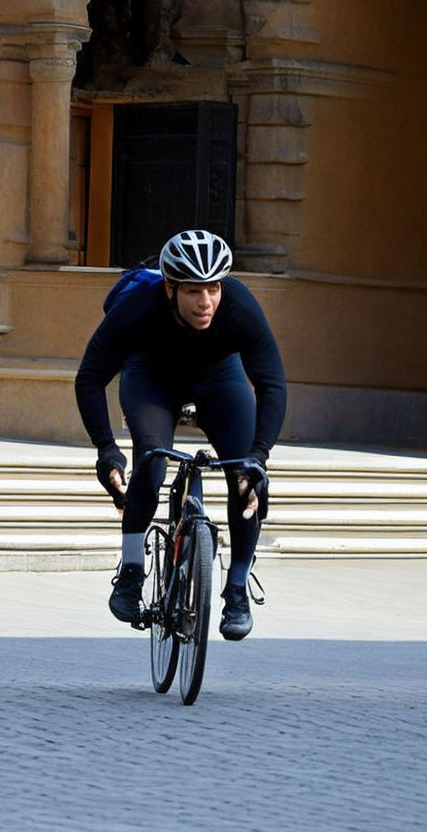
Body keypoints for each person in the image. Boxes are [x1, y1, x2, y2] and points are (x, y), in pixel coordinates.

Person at [74, 229, 286, 640]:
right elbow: (89, 378)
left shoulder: (240, 305)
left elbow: (273, 383)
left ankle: (238, 587)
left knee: (246, 480)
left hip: (220, 379)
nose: (205, 303)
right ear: (170, 287)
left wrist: (259, 456)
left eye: (213, 289)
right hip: (152, 377)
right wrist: (106, 450)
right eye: (192, 291)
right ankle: (132, 571)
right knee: (151, 462)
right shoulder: (138, 308)